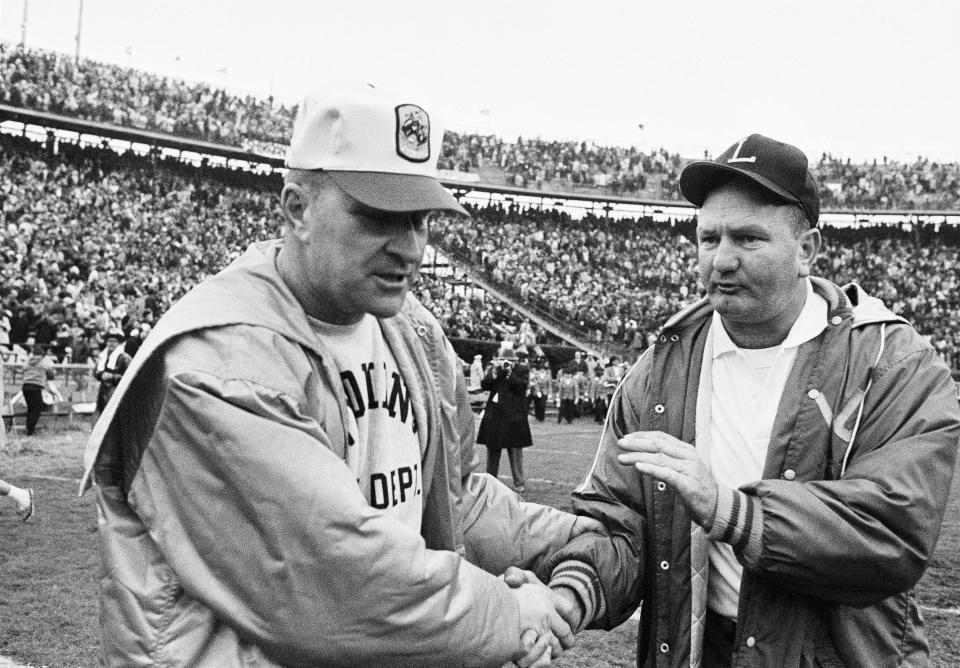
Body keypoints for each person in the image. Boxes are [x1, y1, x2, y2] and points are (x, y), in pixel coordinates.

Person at [79, 82, 598, 668]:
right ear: (297, 208)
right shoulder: (218, 362)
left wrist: (575, 539)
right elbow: (331, 576)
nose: (411, 249)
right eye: (380, 216)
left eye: (422, 221)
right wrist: (511, 614)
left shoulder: (414, 333)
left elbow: (453, 499)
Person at [536, 134, 960, 666]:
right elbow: (621, 522)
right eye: (709, 238)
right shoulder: (660, 368)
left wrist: (732, 511)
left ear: (807, 249)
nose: (722, 259)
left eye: (748, 238)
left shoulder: (892, 362)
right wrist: (570, 595)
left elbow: (893, 532)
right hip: (695, 648)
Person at [477, 353, 533, 493]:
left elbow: (521, 386)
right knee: (493, 449)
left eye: (509, 360)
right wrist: (494, 373)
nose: (506, 362)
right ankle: (491, 480)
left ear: (516, 360)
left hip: (514, 416)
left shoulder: (521, 370)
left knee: (515, 451)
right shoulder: (495, 369)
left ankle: (519, 482)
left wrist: (510, 373)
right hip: (495, 416)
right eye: (502, 360)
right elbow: (485, 385)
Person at [93, 329, 130, 414]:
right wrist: (100, 374)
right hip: (103, 392)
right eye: (109, 341)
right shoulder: (103, 357)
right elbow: (96, 371)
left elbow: (129, 377)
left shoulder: (125, 358)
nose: (111, 343)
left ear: (119, 343)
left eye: (114, 341)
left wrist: (112, 377)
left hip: (117, 392)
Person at [19, 344, 54, 436]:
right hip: (36, 387)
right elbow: (51, 375)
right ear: (42, 355)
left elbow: (23, 369)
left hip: (25, 387)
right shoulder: (43, 363)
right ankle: (30, 431)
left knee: (30, 408)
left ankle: (28, 429)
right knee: (36, 410)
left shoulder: (27, 362)